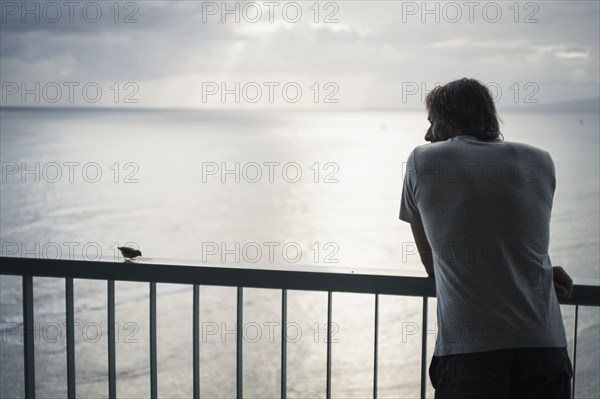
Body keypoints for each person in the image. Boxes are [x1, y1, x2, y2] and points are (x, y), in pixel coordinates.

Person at [399, 78, 574, 398]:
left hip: (472, 352)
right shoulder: (541, 160)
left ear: (450, 119)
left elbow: (433, 266)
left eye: (432, 122)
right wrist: (542, 273)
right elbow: (516, 241)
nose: (427, 134)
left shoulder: (422, 161)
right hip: (545, 347)